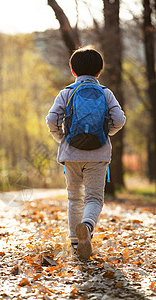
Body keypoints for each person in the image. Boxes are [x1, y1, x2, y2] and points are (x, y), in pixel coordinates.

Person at [46, 46, 126, 260]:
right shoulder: (106, 93)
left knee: (74, 198)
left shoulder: (67, 92)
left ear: (73, 71)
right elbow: (119, 120)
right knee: (94, 198)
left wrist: (61, 138)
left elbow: (52, 120)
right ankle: (87, 228)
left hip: (71, 154)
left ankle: (75, 243)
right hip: (98, 155)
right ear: (99, 71)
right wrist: (105, 133)